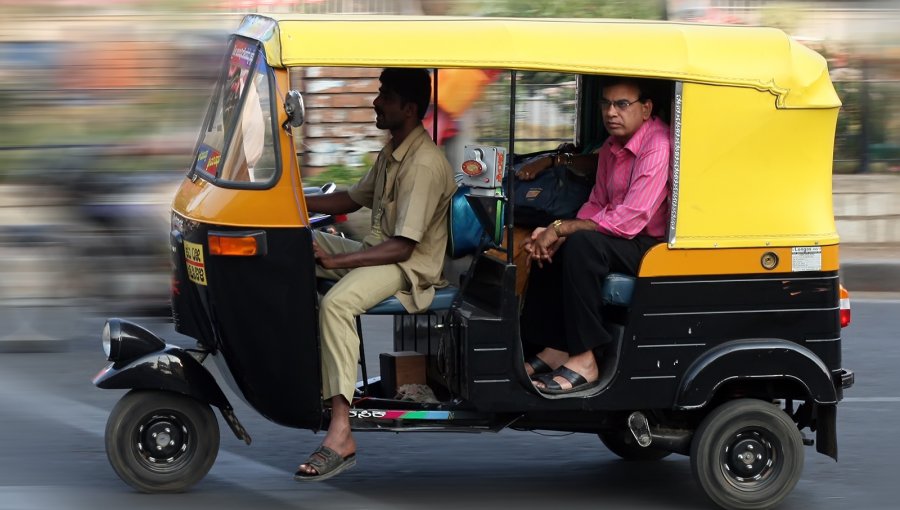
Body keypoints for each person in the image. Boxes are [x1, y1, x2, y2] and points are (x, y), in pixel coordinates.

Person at [295, 68, 456, 480]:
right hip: (379, 252)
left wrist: (335, 262)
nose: (375, 102)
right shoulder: (393, 151)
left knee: (336, 305)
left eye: (385, 95)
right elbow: (350, 198)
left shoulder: (422, 163)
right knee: (291, 250)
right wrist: (285, 196)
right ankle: (318, 378)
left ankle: (341, 432)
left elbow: (403, 247)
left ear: (409, 108)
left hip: (407, 267)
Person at [519, 77, 671, 395]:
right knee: (551, 246)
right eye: (606, 104)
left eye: (621, 104)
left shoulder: (657, 144)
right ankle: (555, 347)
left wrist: (563, 229)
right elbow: (596, 204)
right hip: (622, 237)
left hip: (651, 246)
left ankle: (585, 359)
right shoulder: (610, 147)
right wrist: (554, 235)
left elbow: (632, 219)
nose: (611, 112)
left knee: (582, 246)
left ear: (646, 109)